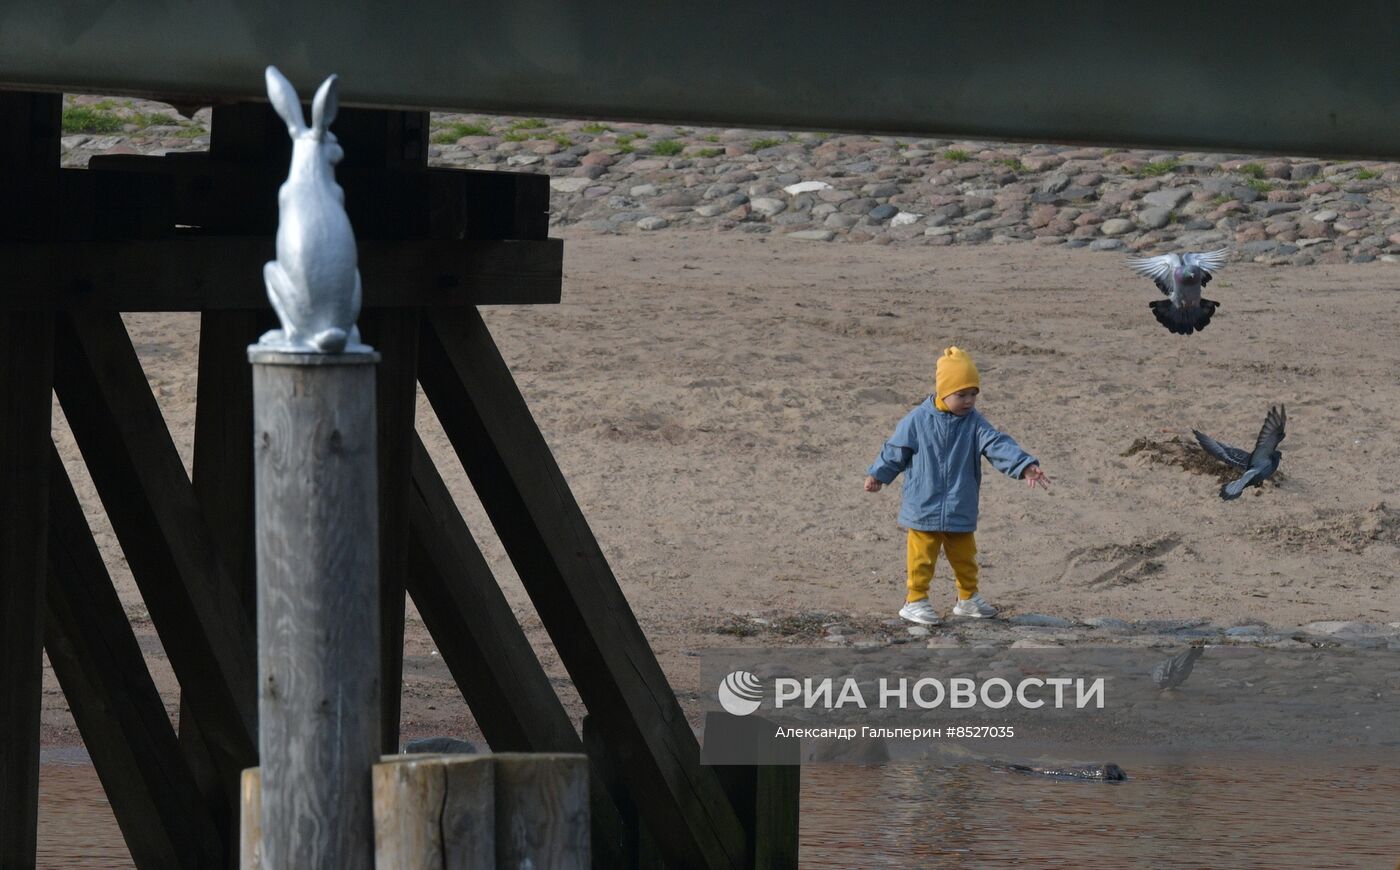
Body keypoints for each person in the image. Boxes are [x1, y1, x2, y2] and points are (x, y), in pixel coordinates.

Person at [863, 347, 1050, 625]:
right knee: (921, 559)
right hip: (923, 504)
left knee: (965, 557)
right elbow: (895, 450)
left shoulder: (975, 423)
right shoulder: (917, 420)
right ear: (943, 392)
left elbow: (997, 444)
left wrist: (1024, 466)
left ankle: (968, 598)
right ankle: (915, 600)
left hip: (960, 504)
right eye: (961, 394)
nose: (969, 401)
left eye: (973, 394)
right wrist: (878, 475)